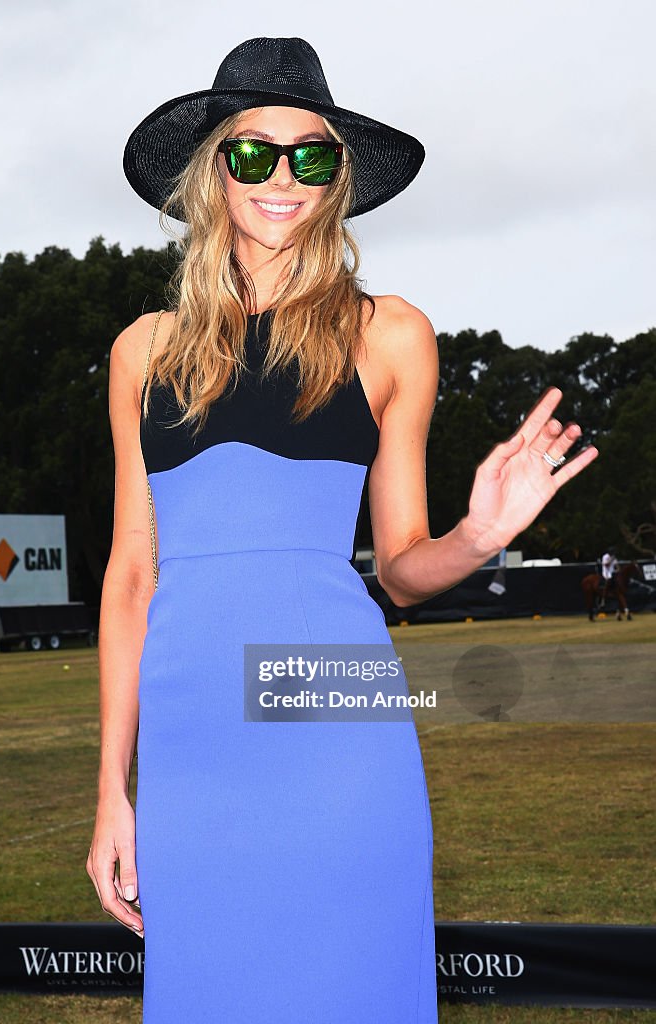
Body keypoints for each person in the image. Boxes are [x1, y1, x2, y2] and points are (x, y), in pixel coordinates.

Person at [86, 36, 599, 1022]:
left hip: (337, 729)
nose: (282, 177)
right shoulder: (138, 353)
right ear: (211, 169)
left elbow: (403, 573)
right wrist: (115, 790)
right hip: (193, 751)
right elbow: (129, 581)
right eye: (253, 151)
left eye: (309, 155)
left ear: (335, 179)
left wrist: (478, 534)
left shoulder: (389, 333)